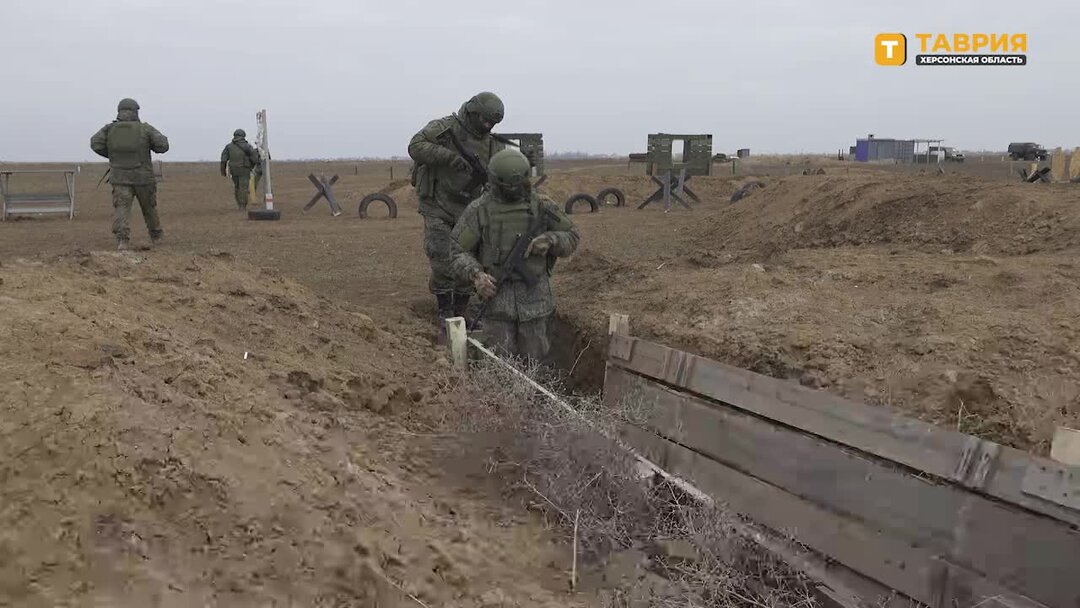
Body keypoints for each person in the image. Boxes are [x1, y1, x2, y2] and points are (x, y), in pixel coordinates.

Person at [449, 148, 579, 363]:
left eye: (518, 185)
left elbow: (572, 236)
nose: (514, 190)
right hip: (495, 304)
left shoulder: (542, 205)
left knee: (537, 367)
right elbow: (456, 251)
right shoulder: (479, 210)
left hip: (536, 303)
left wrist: (551, 240)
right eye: (508, 186)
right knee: (498, 367)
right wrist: (476, 275)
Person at [407, 91, 509, 342]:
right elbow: (415, 146)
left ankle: (461, 312)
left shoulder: (494, 145)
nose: (487, 127)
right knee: (442, 256)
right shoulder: (444, 128)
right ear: (472, 112)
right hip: (438, 206)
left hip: (469, 210)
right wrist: (448, 157)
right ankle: (444, 311)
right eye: (484, 121)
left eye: (492, 124)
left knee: (467, 259)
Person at [90, 98, 170, 250]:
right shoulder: (145, 129)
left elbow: (95, 143)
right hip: (143, 177)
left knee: (121, 208)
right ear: (136, 111)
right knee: (149, 207)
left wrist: (113, 155)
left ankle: (122, 241)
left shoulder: (109, 129)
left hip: (119, 177)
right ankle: (156, 236)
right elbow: (163, 146)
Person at [220, 129, 262, 209]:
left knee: (237, 186)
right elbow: (255, 158)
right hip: (244, 169)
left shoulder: (229, 146)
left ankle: (239, 203)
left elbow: (223, 159)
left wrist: (223, 171)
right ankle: (242, 205)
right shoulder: (247, 146)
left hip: (233, 170)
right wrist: (253, 165)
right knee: (243, 187)